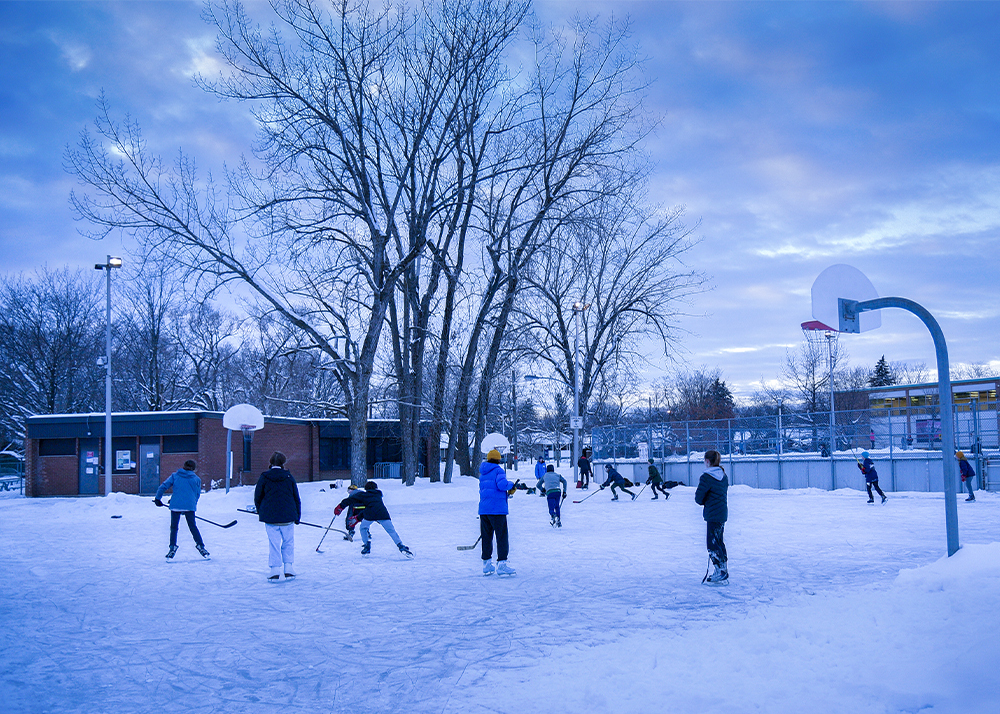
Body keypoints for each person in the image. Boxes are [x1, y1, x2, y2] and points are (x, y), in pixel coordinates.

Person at [254, 451, 302, 582]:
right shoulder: (288, 477)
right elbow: (296, 497)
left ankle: (275, 569)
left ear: (271, 462)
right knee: (288, 542)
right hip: (288, 516)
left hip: (270, 517)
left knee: (274, 543)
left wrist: (261, 511)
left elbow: (257, 497)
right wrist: (297, 516)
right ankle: (288, 568)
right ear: (283, 463)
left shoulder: (264, 477)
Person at [335, 481, 413, 558]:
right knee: (391, 531)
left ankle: (366, 545)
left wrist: (340, 507)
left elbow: (349, 500)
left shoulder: (364, 495)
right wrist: (358, 518)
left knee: (363, 528)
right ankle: (400, 545)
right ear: (376, 488)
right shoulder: (378, 495)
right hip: (382, 514)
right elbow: (373, 506)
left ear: (366, 488)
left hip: (370, 515)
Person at [155, 459, 209, 561]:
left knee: (174, 528)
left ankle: (172, 547)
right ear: (194, 468)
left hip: (175, 506)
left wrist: (158, 499)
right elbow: (197, 495)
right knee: (193, 527)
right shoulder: (197, 479)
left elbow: (163, 487)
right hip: (189, 506)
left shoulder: (175, 476)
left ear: (183, 466)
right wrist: (192, 505)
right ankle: (201, 546)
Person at [479, 448, 517, 576]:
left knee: (486, 536)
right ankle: (502, 563)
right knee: (501, 536)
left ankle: (486, 563)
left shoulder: (483, 472)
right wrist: (511, 485)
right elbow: (501, 485)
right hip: (497, 509)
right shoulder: (498, 470)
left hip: (484, 510)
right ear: (498, 459)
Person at [694, 450, 729, 585]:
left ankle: (720, 571)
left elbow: (698, 498)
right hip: (721, 513)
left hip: (712, 514)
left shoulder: (706, 477)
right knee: (719, 541)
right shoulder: (723, 475)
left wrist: (704, 501)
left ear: (707, 461)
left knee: (712, 543)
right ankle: (722, 568)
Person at [537, 463, 568, 527]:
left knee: (551, 508)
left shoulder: (545, 476)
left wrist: (543, 490)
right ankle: (558, 521)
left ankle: (554, 516)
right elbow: (564, 481)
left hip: (550, 492)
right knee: (557, 506)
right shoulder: (557, 475)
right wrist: (564, 491)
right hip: (558, 492)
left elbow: (538, 485)